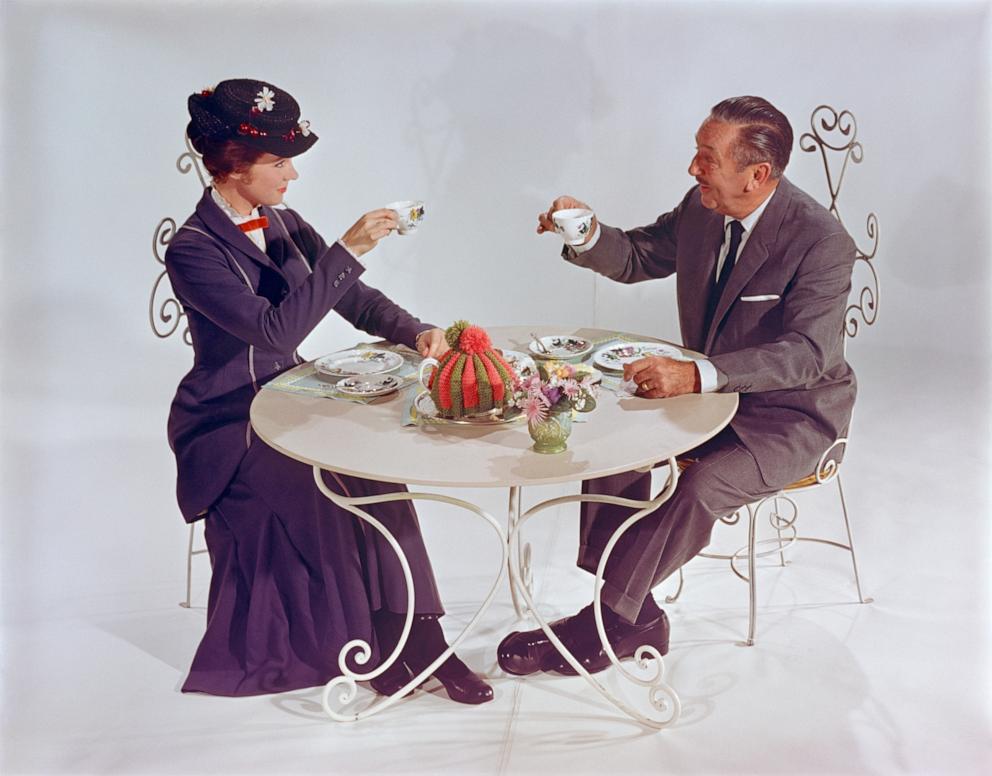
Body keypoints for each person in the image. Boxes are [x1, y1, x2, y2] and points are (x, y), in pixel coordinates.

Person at [497, 95, 857, 676]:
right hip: (710, 397)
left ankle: (607, 621)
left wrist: (696, 374)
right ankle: (634, 611)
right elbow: (639, 255)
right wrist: (586, 232)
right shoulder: (703, 207)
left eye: (706, 158)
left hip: (792, 415)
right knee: (610, 440)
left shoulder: (821, 240)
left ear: (757, 174)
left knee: (703, 485)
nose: (693, 169)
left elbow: (809, 354)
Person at [166, 78, 491, 703]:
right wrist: (350, 247)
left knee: (378, 466)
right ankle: (375, 643)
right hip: (228, 421)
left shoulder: (283, 223)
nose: (292, 174)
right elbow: (273, 330)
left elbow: (355, 299)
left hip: (289, 400)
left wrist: (419, 333)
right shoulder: (193, 250)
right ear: (234, 165)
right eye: (279, 161)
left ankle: (422, 639)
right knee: (327, 477)